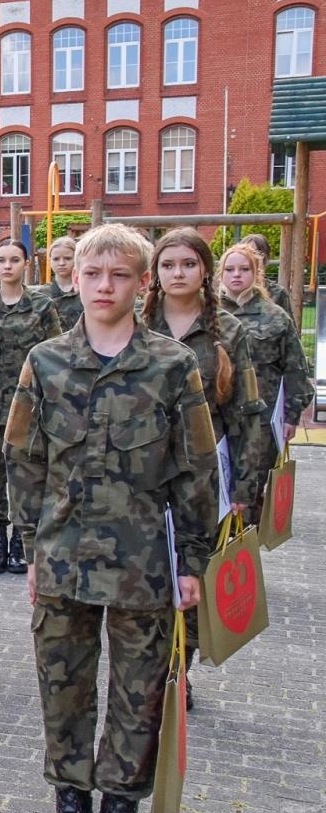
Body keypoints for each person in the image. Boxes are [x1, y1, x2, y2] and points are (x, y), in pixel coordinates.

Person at [7, 223, 218, 813]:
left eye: (119, 275)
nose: (104, 285)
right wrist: (31, 547)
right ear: (74, 279)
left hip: (142, 567)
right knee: (64, 695)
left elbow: (196, 468)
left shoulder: (171, 365)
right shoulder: (44, 361)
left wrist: (194, 560)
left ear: (140, 284)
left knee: (137, 703)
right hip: (64, 560)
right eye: (93, 273)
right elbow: (22, 458)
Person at [143, 229, 269, 706]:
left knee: (190, 575)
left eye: (188, 264)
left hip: (204, 474)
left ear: (204, 271)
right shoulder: (137, 323)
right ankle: (148, 666)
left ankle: (180, 667)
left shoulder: (229, 332)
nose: (178, 273)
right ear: (154, 272)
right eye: (168, 264)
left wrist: (245, 485)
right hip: (144, 474)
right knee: (146, 574)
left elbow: (247, 413)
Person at [0, 238, 61, 576]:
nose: (7, 266)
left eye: (14, 260)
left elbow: (55, 355)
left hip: (29, 411)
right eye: (2, 260)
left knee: (25, 478)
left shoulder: (41, 307)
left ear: (26, 265)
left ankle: (22, 544)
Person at [219, 242, 311, 450]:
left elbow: (295, 368)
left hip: (262, 420)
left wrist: (291, 416)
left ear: (256, 273)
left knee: (256, 479)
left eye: (244, 269)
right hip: (218, 420)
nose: (236, 275)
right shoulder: (207, 314)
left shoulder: (276, 317)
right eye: (230, 269)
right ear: (221, 273)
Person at [238, 233, 291, 318]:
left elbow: (289, 327)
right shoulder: (232, 289)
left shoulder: (277, 292)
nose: (252, 257)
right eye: (247, 253)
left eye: (256, 253)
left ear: (265, 258)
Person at [39, 236, 85, 330]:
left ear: (77, 259)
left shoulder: (86, 292)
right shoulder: (41, 294)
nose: (61, 263)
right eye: (56, 259)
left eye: (67, 258)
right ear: (50, 261)